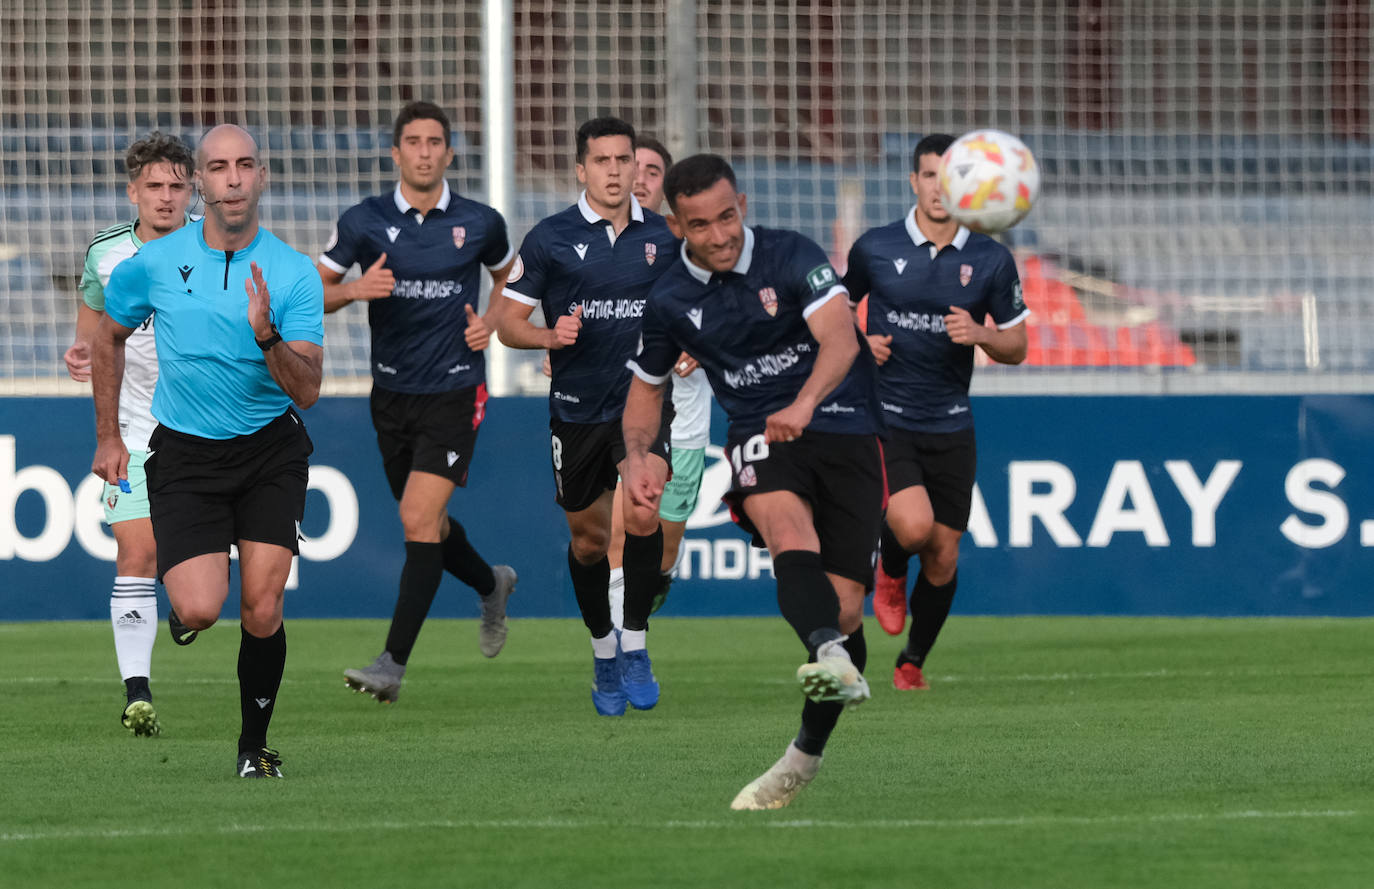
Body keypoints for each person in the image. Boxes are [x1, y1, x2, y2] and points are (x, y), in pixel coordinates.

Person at [622, 154, 884, 810]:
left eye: (726, 217)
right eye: (700, 225)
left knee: (848, 608)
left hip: (844, 424)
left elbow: (841, 340)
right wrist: (639, 454)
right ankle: (826, 652)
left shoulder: (791, 255)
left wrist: (806, 403)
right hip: (759, 430)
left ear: (742, 204)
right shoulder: (669, 300)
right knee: (786, 528)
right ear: (677, 226)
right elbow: (645, 390)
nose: (718, 236)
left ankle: (803, 756)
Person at [91, 124, 324, 779]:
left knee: (263, 605)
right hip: (186, 454)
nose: (233, 178)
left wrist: (267, 335)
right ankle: (188, 609)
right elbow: (107, 337)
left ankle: (255, 747)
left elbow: (307, 390)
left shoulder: (292, 271)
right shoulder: (154, 263)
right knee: (198, 607)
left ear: (261, 176)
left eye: (245, 164)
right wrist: (108, 434)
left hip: (269, 450)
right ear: (202, 180)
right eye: (219, 166)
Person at [318, 101, 519, 703]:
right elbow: (314, 291)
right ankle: (491, 584)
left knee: (417, 520)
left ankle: (392, 665)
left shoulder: (481, 222)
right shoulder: (365, 221)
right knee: (429, 522)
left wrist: (491, 322)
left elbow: (511, 279)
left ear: (450, 153)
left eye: (435, 142)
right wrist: (356, 289)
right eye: (414, 141)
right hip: (391, 395)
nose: (425, 152)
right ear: (396, 152)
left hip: (455, 391)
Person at [494, 117, 679, 717]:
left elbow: (698, 304)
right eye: (602, 160)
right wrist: (550, 336)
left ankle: (637, 647)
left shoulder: (665, 238)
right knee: (590, 540)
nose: (615, 171)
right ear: (581, 169)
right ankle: (604, 651)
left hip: (642, 406)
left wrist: (692, 345)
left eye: (624, 159)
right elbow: (507, 324)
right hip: (576, 412)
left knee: (644, 512)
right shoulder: (550, 238)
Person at [843, 133, 1028, 690]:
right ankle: (890, 568)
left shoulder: (990, 258)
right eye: (929, 176)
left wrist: (982, 334)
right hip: (887, 414)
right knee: (914, 525)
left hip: (951, 421)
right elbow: (835, 313)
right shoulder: (874, 248)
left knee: (944, 555)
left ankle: (912, 662)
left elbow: (1017, 346)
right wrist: (859, 344)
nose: (939, 188)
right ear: (914, 181)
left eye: (950, 179)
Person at [64, 132, 194, 737]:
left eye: (177, 186)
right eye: (154, 186)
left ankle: (187, 604)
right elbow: (94, 321)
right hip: (135, 431)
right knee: (136, 552)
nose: (166, 197)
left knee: (197, 591)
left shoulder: (216, 247)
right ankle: (137, 693)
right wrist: (81, 348)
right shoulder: (107, 253)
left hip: (207, 431)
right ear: (133, 191)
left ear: (192, 192)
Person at [607, 136, 712, 625]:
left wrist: (702, 344)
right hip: (614, 413)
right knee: (617, 536)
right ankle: (619, 647)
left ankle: (659, 577)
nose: (642, 178)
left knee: (661, 547)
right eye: (637, 167)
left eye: (654, 171)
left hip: (683, 417)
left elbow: (731, 313)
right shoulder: (594, 245)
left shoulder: (695, 246)